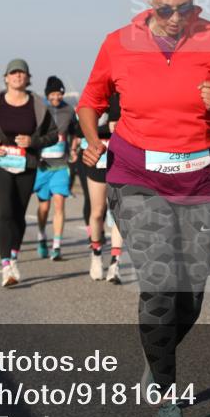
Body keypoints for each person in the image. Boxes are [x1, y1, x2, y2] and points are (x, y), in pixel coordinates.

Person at [77, 0, 210, 417]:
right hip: (137, 177)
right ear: (149, 1)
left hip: (200, 181)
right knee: (159, 287)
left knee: (190, 294)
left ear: (196, 0)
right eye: (164, 8)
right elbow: (90, 101)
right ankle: (168, 403)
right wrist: (94, 141)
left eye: (184, 7)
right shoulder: (119, 43)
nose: (175, 18)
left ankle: (157, 362)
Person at [0, 58, 58, 287]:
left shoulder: (38, 105)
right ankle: (5, 266)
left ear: (28, 78)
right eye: (14, 73)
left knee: (19, 214)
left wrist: (33, 141)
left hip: (26, 164)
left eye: (22, 73)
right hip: (0, 162)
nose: (18, 76)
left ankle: (13, 256)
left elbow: (53, 134)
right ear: (6, 77)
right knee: (5, 212)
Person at [75, 93, 123, 282]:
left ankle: (115, 263)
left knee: (119, 212)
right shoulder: (97, 95)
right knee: (97, 212)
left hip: (121, 158)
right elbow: (80, 129)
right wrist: (107, 128)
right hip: (98, 159)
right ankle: (96, 253)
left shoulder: (129, 91)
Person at [34, 76, 78, 261]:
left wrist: (74, 148)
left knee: (59, 203)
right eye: (53, 94)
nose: (56, 97)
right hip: (42, 166)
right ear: (47, 94)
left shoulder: (68, 110)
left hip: (60, 165)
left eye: (59, 93)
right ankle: (42, 235)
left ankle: (57, 246)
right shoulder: (40, 110)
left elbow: (75, 132)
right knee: (44, 207)